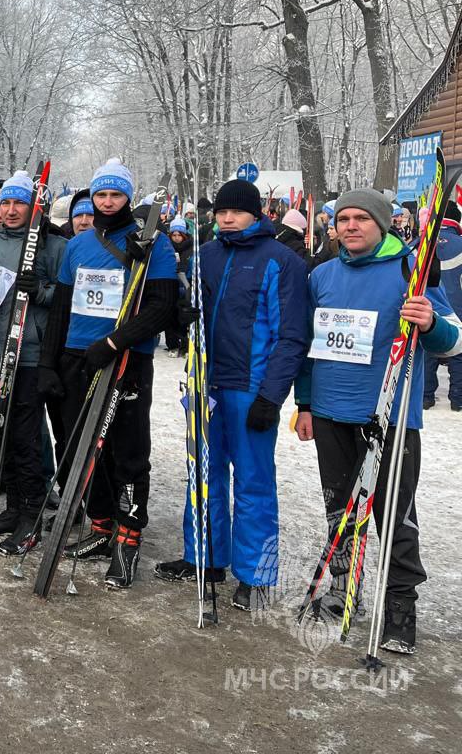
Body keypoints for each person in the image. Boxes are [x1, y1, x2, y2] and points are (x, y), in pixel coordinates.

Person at [294, 189, 462, 655]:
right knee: (340, 511)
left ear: (382, 223)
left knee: (394, 517)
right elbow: (311, 345)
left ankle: (399, 609)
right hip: (330, 414)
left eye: (361, 219)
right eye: (343, 218)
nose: (350, 226)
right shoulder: (322, 274)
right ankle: (344, 587)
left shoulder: (413, 270)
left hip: (390, 417)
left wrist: (430, 323)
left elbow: (453, 344)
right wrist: (305, 403)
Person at [153, 179, 309, 612]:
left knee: (255, 483)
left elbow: (291, 337)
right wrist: (184, 315)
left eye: (236, 211)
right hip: (206, 384)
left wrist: (271, 396)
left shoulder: (280, 261)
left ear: (256, 213)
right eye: (221, 211)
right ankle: (205, 557)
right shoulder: (208, 254)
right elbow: (195, 314)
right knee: (203, 475)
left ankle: (255, 573)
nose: (226, 218)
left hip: (250, 388)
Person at [37, 158, 178, 589]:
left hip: (125, 358)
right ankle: (100, 524)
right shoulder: (79, 244)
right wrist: (48, 362)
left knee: (127, 450)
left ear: (128, 198)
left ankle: (128, 536)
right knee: (82, 444)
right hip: (78, 355)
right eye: (101, 194)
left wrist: (116, 342)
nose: (108, 202)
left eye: (116, 195)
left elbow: (161, 308)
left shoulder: (152, 244)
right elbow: (61, 306)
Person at [0, 170, 66, 556]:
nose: (11, 211)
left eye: (20, 204)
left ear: (34, 207)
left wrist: (43, 291)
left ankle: (32, 510)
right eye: (7, 204)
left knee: (28, 437)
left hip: (30, 354)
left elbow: (68, 298)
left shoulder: (52, 245)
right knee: (2, 433)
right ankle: (13, 505)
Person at [425, 200, 462, 410]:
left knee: (428, 351)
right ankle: (458, 399)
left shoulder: (419, 243)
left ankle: (425, 396)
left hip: (427, 307)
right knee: (459, 354)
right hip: (458, 306)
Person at [164, 218, 194, 356]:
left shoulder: (191, 248)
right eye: (174, 235)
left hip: (186, 285)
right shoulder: (165, 247)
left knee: (184, 318)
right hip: (170, 285)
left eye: (179, 235)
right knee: (170, 317)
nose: (176, 238)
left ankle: (185, 346)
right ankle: (172, 345)